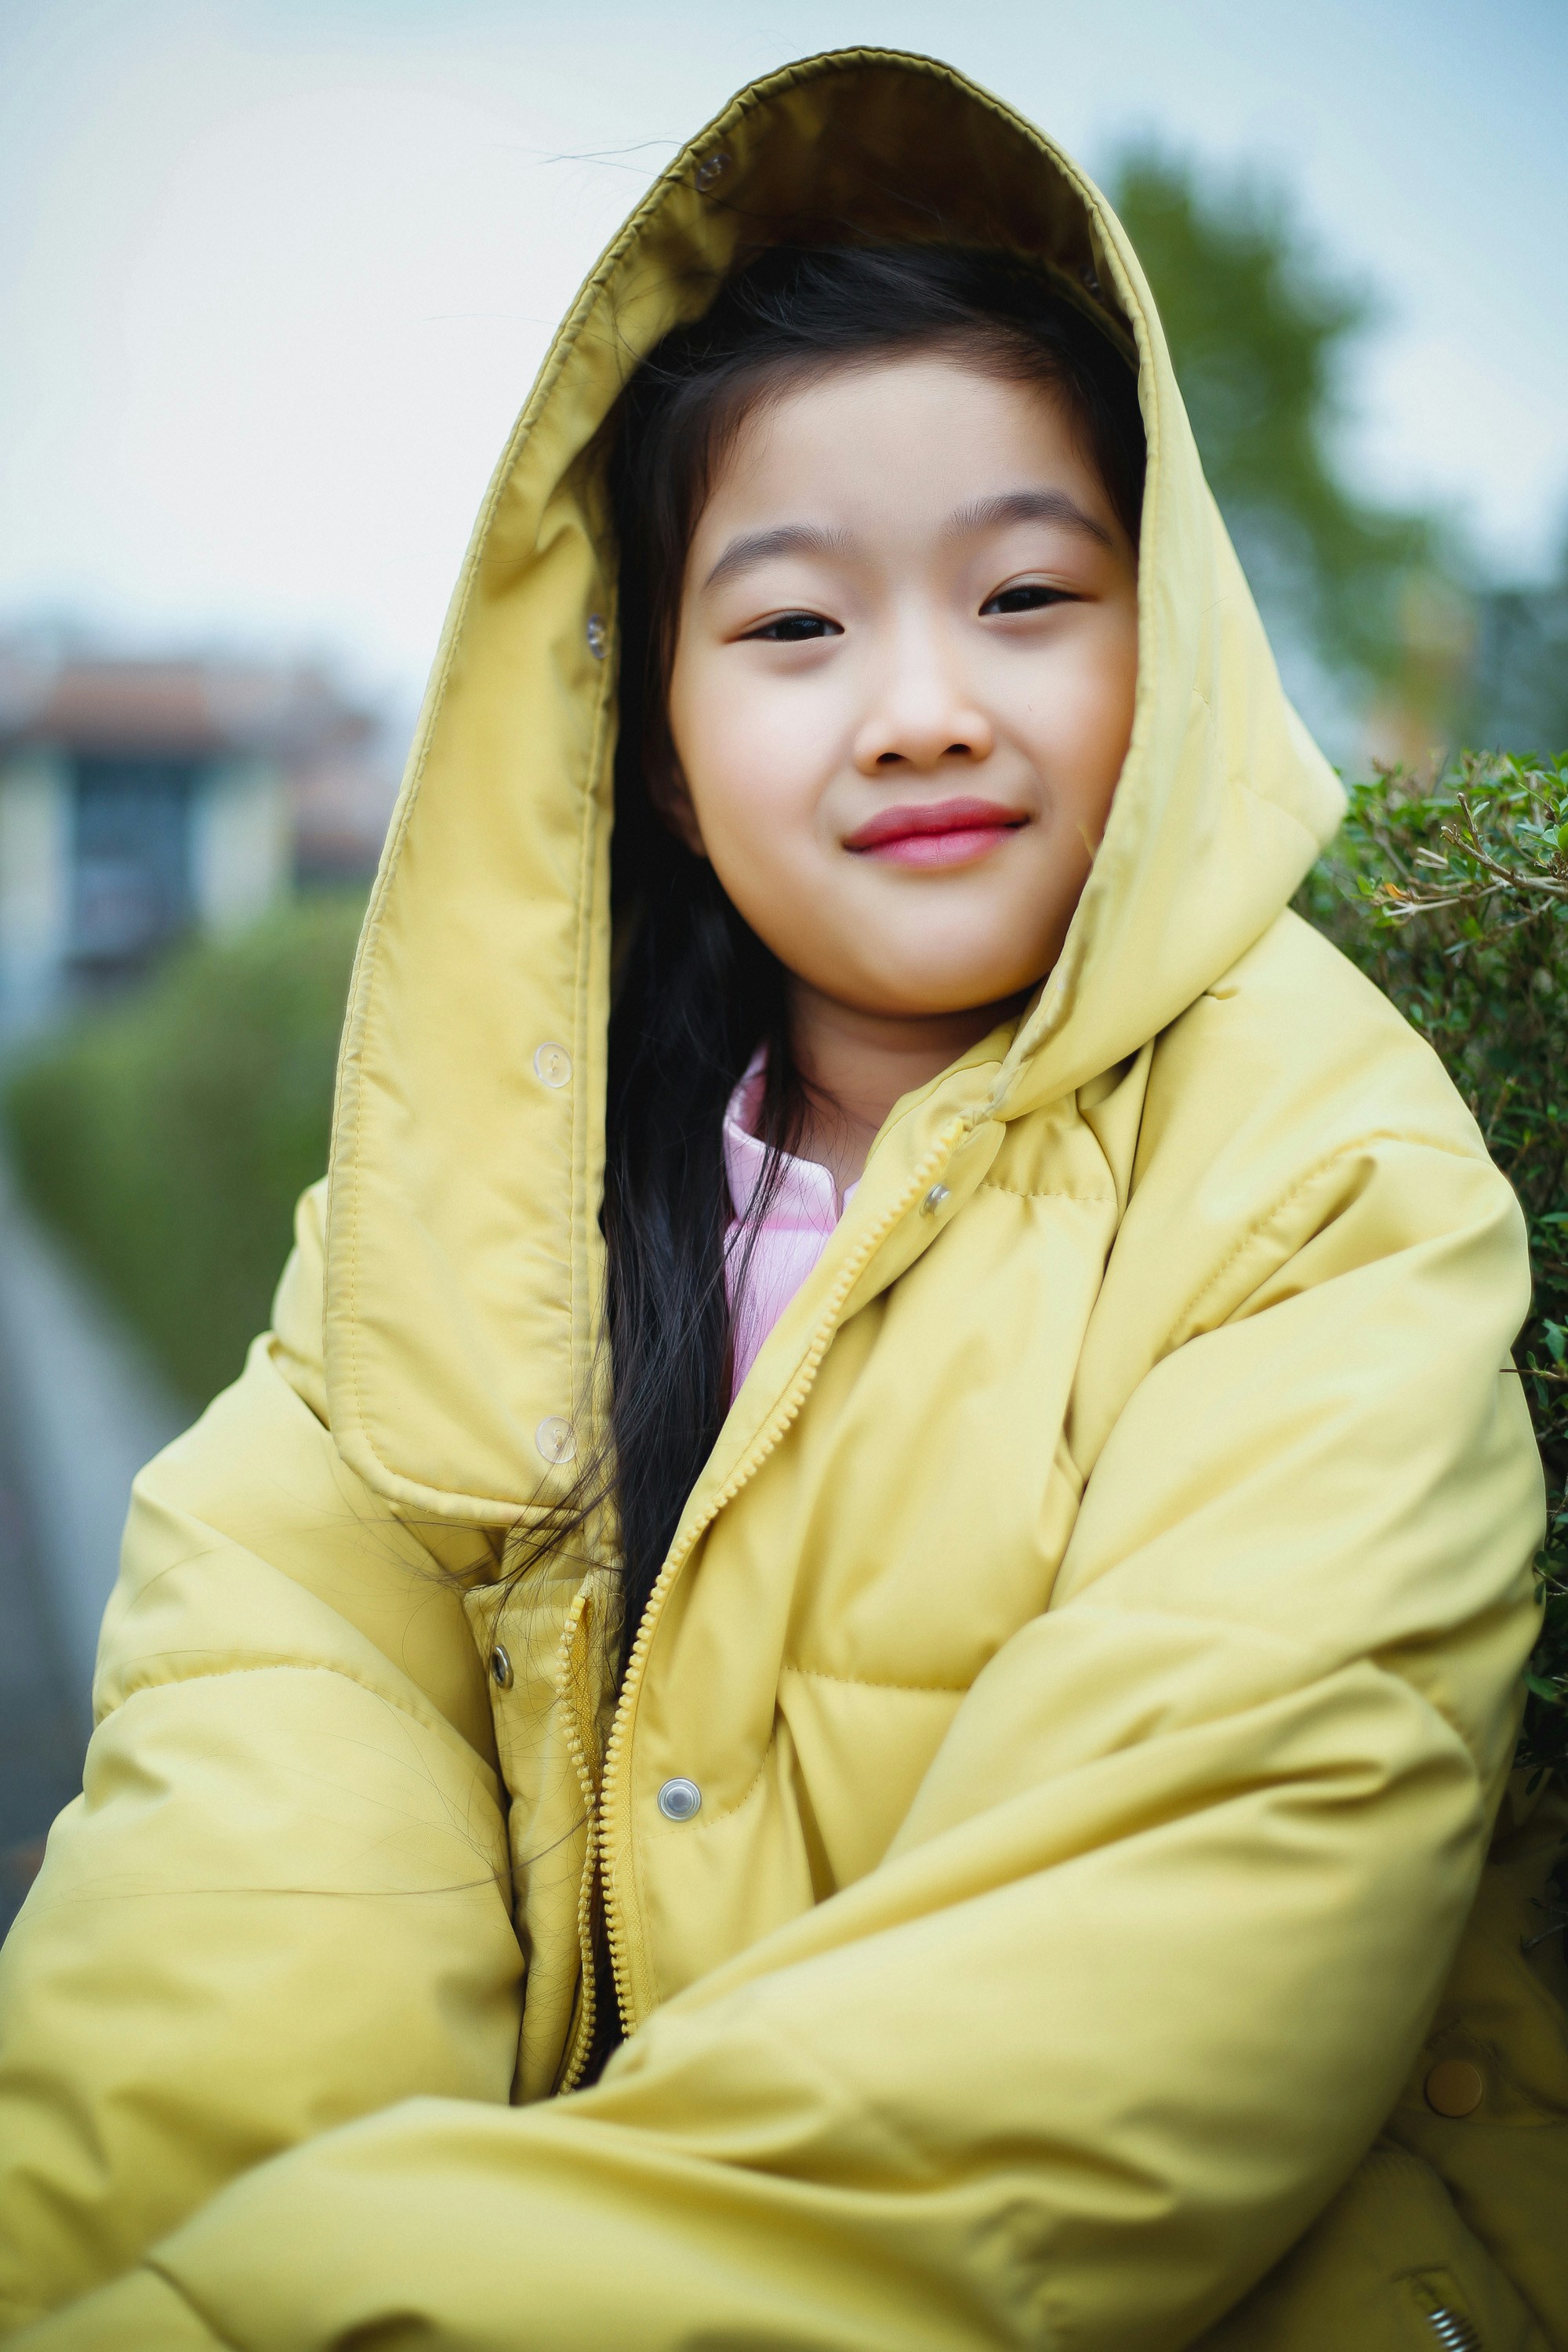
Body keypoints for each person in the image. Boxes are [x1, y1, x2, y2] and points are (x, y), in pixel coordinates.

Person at [1, 46, 1562, 2352]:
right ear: (648, 738)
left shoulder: (1326, 1183)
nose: (922, 706)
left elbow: (1118, 2019)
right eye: (797, 627)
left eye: (1030, 593)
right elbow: (257, 1829)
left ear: (1180, 641)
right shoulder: (468, 1209)